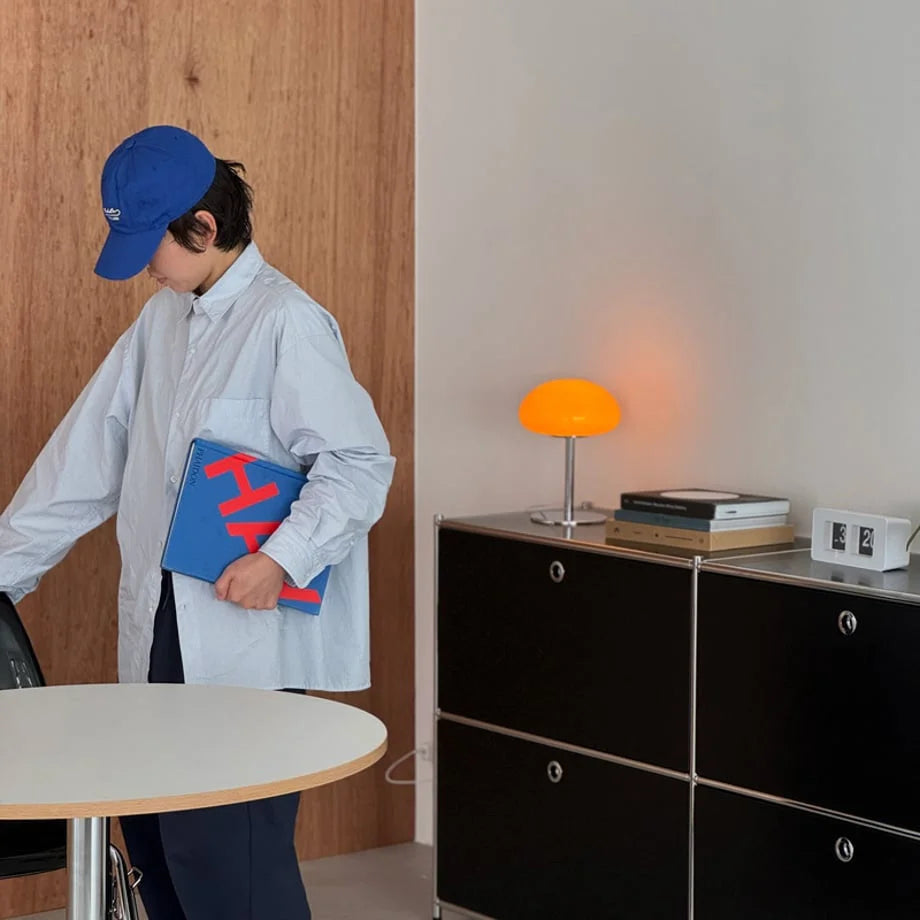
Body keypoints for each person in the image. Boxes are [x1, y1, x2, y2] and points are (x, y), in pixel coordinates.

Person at [0, 125, 395, 920]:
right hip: (160, 625)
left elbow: (359, 464)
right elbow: (80, 465)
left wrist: (283, 558)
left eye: (153, 244)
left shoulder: (287, 322)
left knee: (228, 865)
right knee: (155, 844)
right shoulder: (162, 322)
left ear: (205, 228)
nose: (145, 262)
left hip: (241, 635)